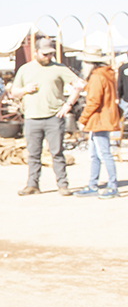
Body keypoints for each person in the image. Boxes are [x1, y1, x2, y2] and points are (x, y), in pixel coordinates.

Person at [9, 37, 82, 196]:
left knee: (56, 152)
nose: (48, 57)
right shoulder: (25, 69)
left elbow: (79, 84)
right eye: (45, 54)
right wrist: (25, 90)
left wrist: (68, 104)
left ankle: (63, 185)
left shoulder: (59, 68)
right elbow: (14, 92)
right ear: (35, 52)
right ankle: (32, 184)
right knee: (33, 154)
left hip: (53, 117)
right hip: (32, 117)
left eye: (50, 54)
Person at [67, 51, 121, 198]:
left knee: (103, 154)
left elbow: (94, 101)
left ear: (90, 63)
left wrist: (82, 119)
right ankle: (94, 184)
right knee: (96, 154)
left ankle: (111, 186)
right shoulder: (107, 74)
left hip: (99, 119)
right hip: (103, 118)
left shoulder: (97, 76)